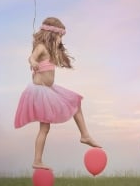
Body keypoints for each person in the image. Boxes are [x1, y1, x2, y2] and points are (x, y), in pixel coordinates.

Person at [14, 17, 101, 169]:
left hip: (48, 90)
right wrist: (33, 63)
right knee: (44, 128)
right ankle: (37, 160)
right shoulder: (41, 47)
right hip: (40, 92)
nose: (61, 40)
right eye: (60, 36)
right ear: (52, 34)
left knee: (75, 101)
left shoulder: (51, 50)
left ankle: (85, 135)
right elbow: (32, 57)